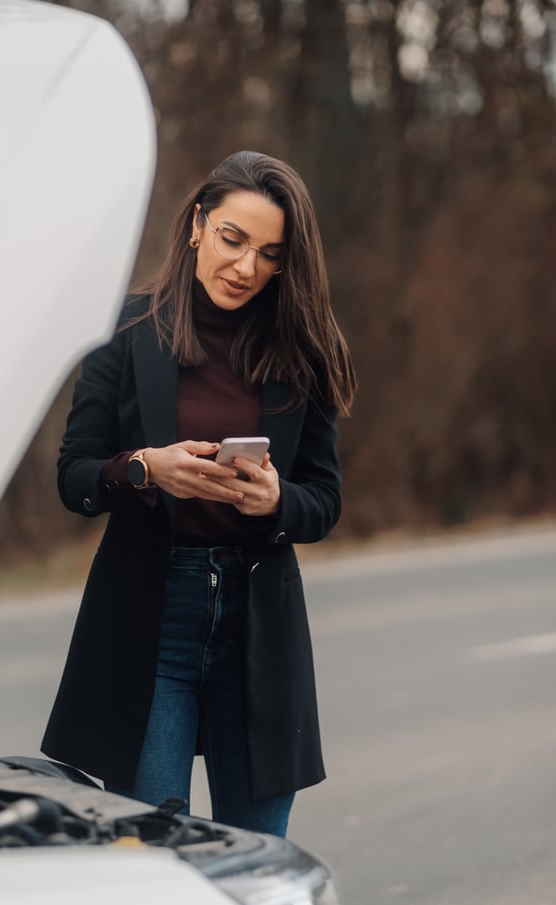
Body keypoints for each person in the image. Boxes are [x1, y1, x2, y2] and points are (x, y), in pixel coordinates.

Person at [41, 150, 356, 837]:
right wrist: (145, 469)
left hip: (257, 626)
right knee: (154, 858)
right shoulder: (124, 330)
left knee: (256, 858)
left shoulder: (303, 348)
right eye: (232, 240)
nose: (246, 267)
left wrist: (274, 500)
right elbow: (75, 475)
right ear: (196, 225)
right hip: (151, 617)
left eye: (270, 253)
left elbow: (323, 502)